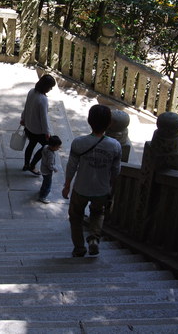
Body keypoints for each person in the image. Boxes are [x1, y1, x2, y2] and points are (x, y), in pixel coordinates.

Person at [62, 105, 121, 257]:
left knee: (75, 217)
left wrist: (67, 185)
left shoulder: (79, 142)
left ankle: (79, 247)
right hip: (102, 189)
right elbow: (116, 171)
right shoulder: (115, 146)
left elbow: (72, 166)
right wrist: (112, 191)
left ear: (89, 121)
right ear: (109, 123)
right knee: (97, 213)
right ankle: (94, 238)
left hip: (81, 187)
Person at [21, 74, 56, 175]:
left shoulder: (31, 91)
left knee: (31, 145)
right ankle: (32, 166)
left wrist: (23, 118)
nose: (51, 89)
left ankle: (26, 164)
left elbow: (26, 106)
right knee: (46, 146)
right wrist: (47, 132)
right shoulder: (43, 99)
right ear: (46, 87)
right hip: (38, 130)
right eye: (50, 87)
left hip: (28, 126)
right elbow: (44, 118)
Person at [37, 135, 62, 204]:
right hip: (47, 171)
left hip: (43, 168)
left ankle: (42, 191)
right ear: (52, 146)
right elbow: (50, 165)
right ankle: (43, 196)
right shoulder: (50, 154)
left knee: (45, 182)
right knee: (48, 184)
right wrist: (54, 169)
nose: (58, 148)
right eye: (57, 147)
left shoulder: (45, 147)